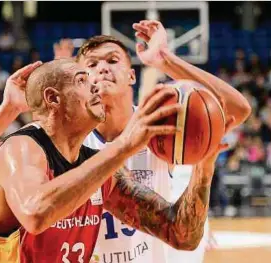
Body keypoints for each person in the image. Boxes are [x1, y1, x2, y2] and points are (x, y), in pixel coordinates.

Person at [0, 58, 223, 263]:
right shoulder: (21, 148)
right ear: (53, 98)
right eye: (82, 79)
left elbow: (181, 234)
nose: (95, 84)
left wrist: (204, 165)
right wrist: (123, 146)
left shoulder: (99, 169)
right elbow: (36, 213)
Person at [72, 20, 250, 263]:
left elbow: (237, 110)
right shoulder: (69, 140)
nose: (102, 68)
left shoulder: (157, 122)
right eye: (92, 64)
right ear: (80, 81)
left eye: (112, 61)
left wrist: (164, 60)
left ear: (131, 75)